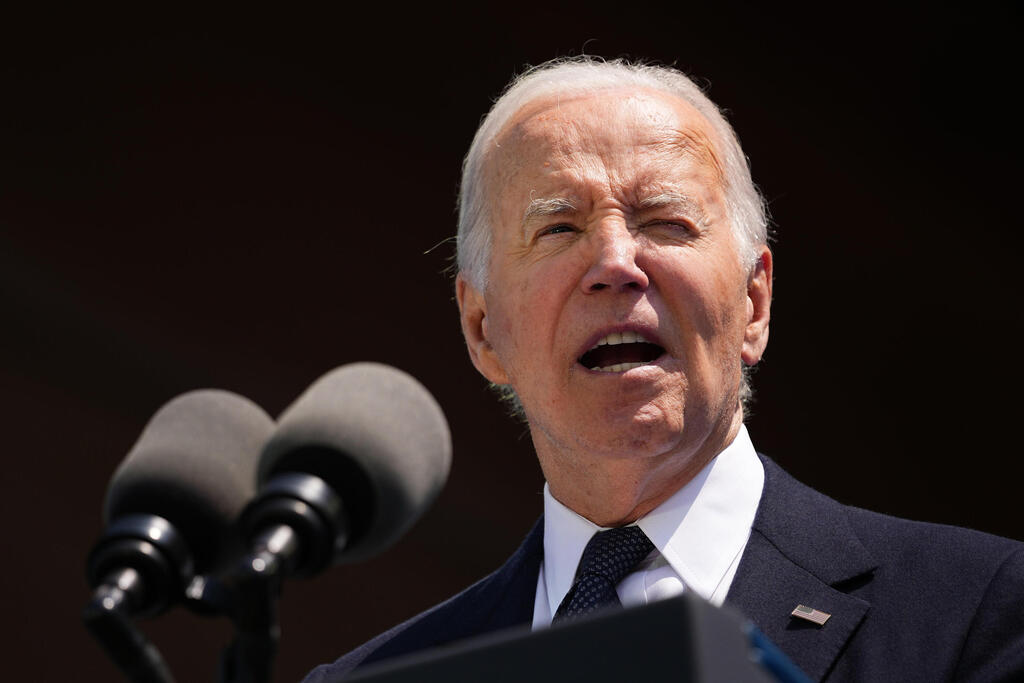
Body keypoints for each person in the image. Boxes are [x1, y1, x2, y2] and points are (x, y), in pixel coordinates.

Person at [304, 57, 1024, 682]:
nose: (616, 263)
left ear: (753, 301)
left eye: (664, 221)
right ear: (481, 327)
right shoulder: (375, 677)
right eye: (559, 227)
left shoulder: (979, 610)